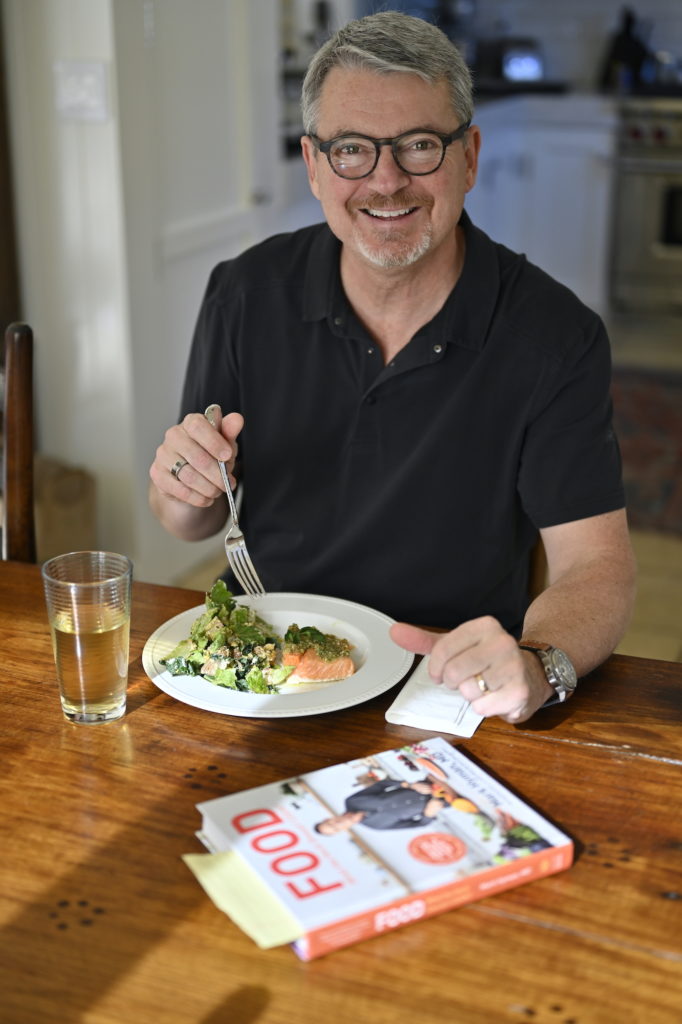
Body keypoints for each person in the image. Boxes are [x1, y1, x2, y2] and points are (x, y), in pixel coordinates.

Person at [149, 12, 636, 725]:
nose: (386, 182)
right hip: (264, 665)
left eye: (418, 146)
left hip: (447, 683)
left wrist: (540, 662)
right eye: (351, 149)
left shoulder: (555, 336)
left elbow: (595, 567)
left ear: (469, 157)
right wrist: (183, 490)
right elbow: (193, 520)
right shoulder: (244, 292)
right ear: (314, 166)